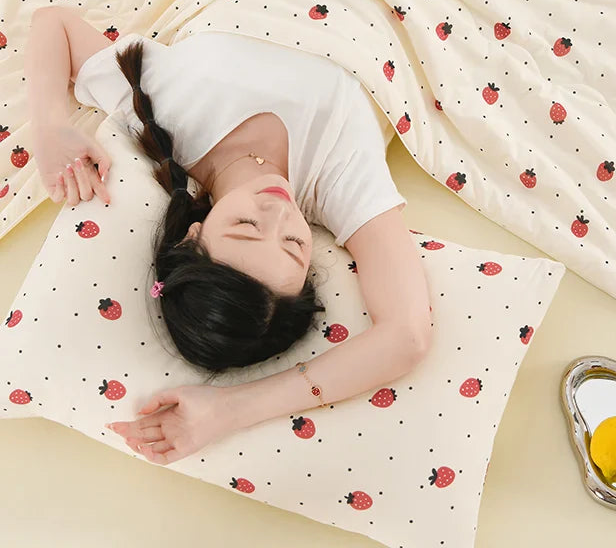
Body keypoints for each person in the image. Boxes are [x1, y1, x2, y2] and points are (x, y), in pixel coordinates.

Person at [34, 22, 407, 383]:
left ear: (192, 236)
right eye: (294, 243)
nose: (279, 212)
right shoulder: (341, 183)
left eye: (247, 226)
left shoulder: (160, 117)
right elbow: (406, 335)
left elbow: (55, 24)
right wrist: (228, 410)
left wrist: (49, 128)